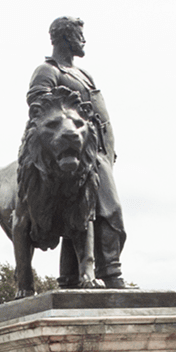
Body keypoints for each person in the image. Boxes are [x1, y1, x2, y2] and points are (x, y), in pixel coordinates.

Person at [28, 16, 126, 287]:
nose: (84, 41)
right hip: (77, 153)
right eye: (79, 35)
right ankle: (112, 274)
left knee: (83, 216)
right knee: (110, 211)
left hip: (100, 151)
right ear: (65, 37)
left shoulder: (83, 74)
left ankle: (70, 278)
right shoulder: (48, 71)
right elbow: (40, 109)